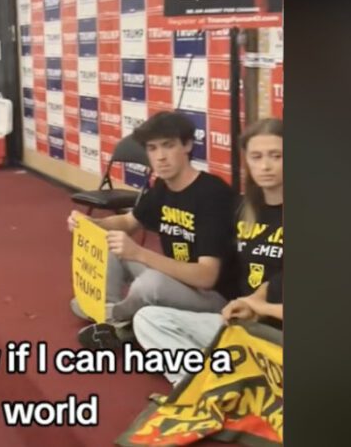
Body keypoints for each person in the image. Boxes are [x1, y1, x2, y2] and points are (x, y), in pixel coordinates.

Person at [133, 118, 284, 385]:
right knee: (148, 320)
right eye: (256, 156)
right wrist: (246, 305)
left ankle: (232, 382)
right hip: (243, 322)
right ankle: (203, 387)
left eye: (276, 156)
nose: (265, 166)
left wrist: (259, 305)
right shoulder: (242, 209)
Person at [68, 111, 237, 349]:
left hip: (215, 298)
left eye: (168, 146)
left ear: (187, 145)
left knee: (151, 284)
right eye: (153, 149)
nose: (160, 158)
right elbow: (127, 223)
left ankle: (111, 315)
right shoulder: (162, 186)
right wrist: (88, 226)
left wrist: (139, 253)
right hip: (179, 281)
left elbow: (206, 276)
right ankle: (115, 320)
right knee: (110, 242)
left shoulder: (212, 194)